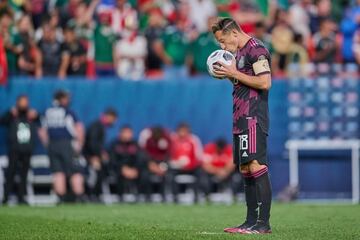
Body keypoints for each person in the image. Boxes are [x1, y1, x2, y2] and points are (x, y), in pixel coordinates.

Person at [211, 18, 272, 234]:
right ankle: (249, 221)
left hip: (253, 116)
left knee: (255, 165)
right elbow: (243, 81)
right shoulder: (237, 54)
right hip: (240, 115)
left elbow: (265, 82)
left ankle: (263, 224)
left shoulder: (257, 50)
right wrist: (229, 76)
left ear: (234, 34)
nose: (222, 46)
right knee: (245, 168)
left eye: (223, 41)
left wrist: (234, 73)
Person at [39, 90, 85, 203]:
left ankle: (61, 198)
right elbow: (79, 128)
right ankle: (78, 197)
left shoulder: (47, 112)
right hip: (67, 143)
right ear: (61, 99)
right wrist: (79, 144)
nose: (68, 100)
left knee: (58, 171)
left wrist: (47, 144)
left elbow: (42, 131)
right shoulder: (68, 112)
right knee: (75, 171)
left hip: (53, 144)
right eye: (66, 98)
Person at [0, 95, 39, 204]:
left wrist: (36, 115)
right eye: (22, 101)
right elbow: (2, 121)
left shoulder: (30, 114)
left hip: (27, 149)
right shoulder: (13, 114)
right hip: (14, 149)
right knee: (10, 173)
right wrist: (10, 113)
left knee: (24, 175)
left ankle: (21, 197)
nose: (24, 104)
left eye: (25, 101)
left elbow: (40, 119)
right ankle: (6, 197)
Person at [83, 108, 117, 201]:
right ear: (109, 116)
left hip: (94, 156)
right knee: (94, 176)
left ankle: (96, 196)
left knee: (100, 174)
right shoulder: (97, 125)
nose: (113, 122)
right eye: (113, 119)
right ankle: (90, 196)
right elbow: (92, 142)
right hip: (91, 157)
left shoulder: (100, 125)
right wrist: (95, 156)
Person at [169, 123, 202, 203]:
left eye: (184, 131)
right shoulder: (173, 140)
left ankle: (197, 196)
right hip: (177, 168)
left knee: (200, 173)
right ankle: (175, 197)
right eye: (181, 131)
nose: (182, 133)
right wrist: (175, 163)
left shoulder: (194, 140)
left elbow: (199, 156)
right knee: (169, 175)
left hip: (191, 167)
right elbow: (169, 155)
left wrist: (190, 164)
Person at [109, 125, 144, 202]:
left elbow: (140, 158)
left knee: (144, 175)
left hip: (133, 169)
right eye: (126, 132)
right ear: (121, 133)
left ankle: (140, 197)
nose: (128, 135)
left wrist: (135, 169)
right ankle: (120, 198)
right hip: (120, 169)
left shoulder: (135, 144)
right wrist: (123, 169)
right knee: (119, 176)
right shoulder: (114, 144)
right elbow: (113, 160)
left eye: (129, 133)